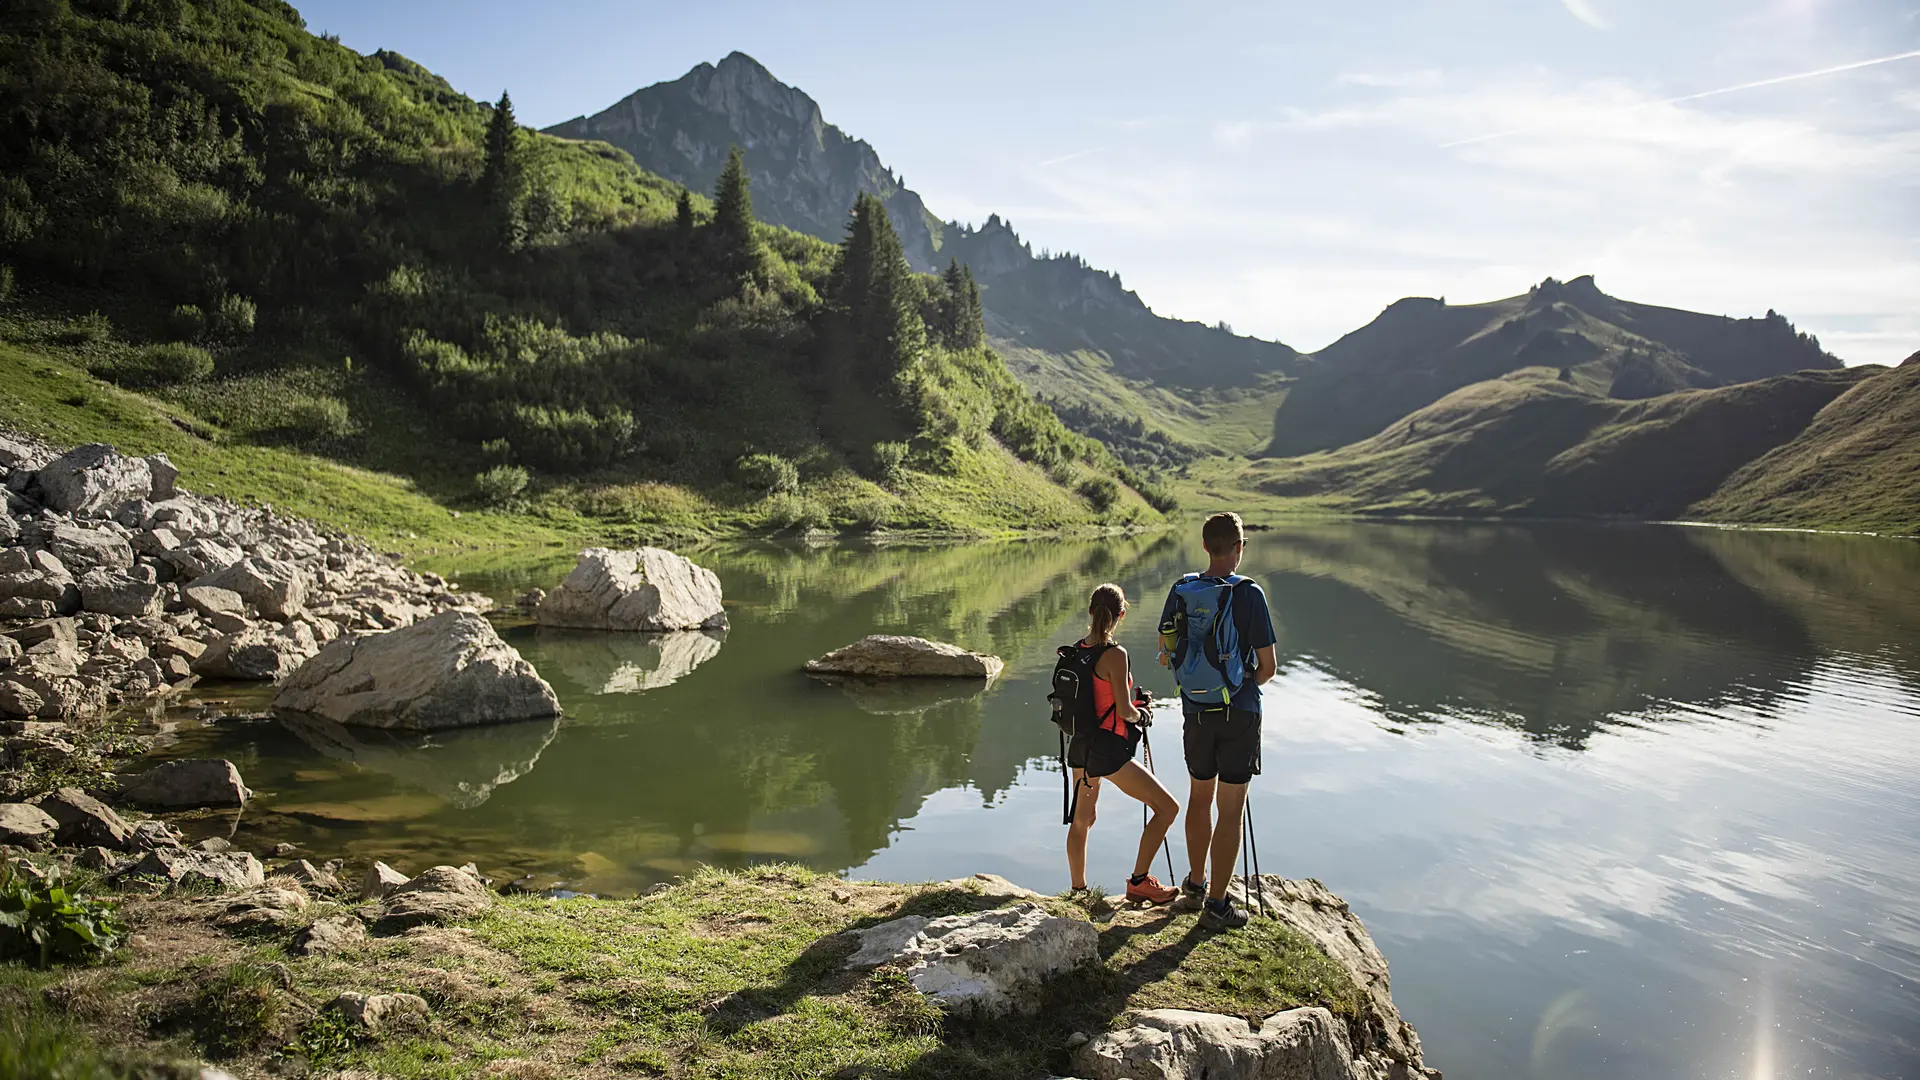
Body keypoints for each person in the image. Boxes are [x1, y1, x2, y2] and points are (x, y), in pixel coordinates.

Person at [1158, 512, 1278, 930]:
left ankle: (1193, 886)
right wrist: (1241, 681)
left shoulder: (1182, 589)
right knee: (1231, 809)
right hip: (1239, 710)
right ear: (1239, 548)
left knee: (1198, 798)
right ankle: (1217, 903)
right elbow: (1268, 667)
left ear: (1206, 546)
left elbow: (1168, 647)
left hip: (1195, 710)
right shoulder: (1249, 594)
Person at [1064, 583, 1182, 904]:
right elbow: (1125, 710)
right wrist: (1143, 713)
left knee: (1082, 820)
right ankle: (1140, 882)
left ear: (1090, 611)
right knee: (1167, 808)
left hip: (1079, 748)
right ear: (1122, 615)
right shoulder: (1116, 655)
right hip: (1107, 752)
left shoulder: (1076, 651)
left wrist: (1130, 706)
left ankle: (1078, 891)